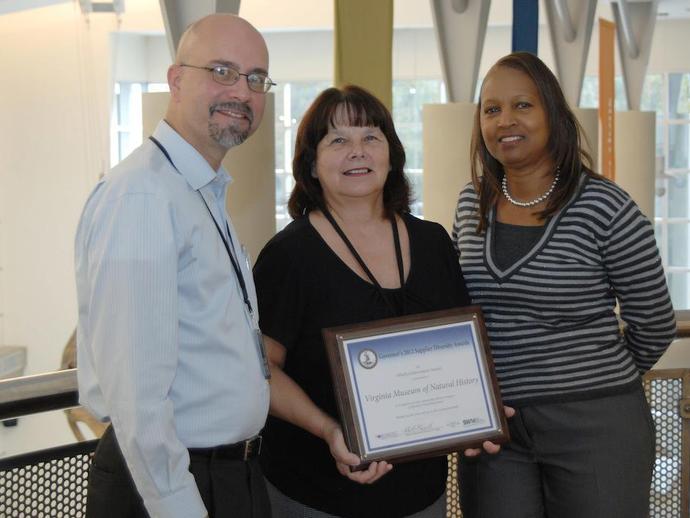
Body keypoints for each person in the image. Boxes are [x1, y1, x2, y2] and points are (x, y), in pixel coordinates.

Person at [253, 85, 503, 518]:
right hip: (315, 494)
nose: (358, 151)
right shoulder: (289, 256)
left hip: (421, 495)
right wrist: (331, 429)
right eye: (338, 140)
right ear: (311, 164)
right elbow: (260, 372)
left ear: (392, 154)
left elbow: (460, 350)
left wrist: (480, 411)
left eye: (371, 137)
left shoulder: (433, 242)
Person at [452, 51, 677, 518]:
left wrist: (589, 383)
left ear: (552, 113)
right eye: (491, 110)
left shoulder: (605, 206)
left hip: (596, 425)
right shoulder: (472, 203)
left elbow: (654, 323)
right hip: (497, 431)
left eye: (522, 105)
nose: (505, 120)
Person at [75, 14, 275, 518]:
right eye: (222, 71)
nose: (242, 91)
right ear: (175, 79)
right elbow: (139, 398)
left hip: (227, 476)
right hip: (171, 488)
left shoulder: (198, 192)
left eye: (256, 79)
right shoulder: (143, 196)